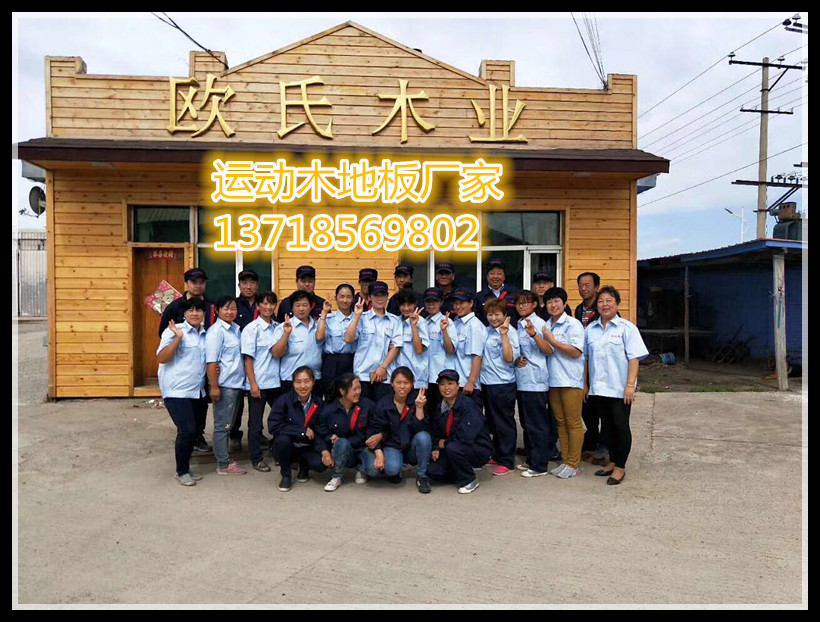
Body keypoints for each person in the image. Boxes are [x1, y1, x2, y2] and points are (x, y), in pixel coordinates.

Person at [585, 286, 648, 486]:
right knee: (607, 427)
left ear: (617, 304)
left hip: (620, 389)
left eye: (609, 301)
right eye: (601, 301)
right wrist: (585, 384)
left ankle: (620, 466)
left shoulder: (626, 328)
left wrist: (630, 385)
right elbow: (586, 359)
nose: (604, 305)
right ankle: (612, 461)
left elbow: (634, 358)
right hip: (599, 388)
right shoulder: (590, 329)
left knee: (620, 426)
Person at [157, 267, 215, 453]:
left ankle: (197, 436)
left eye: (201, 282)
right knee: (185, 421)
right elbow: (163, 335)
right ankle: (186, 441)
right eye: (193, 282)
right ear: (186, 284)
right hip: (181, 369)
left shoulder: (211, 305)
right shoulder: (174, 307)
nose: (198, 286)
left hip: (203, 365)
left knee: (201, 405)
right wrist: (179, 340)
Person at [156, 297, 208, 486]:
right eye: (190, 310)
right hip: (177, 390)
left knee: (194, 431)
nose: (195, 313)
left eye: (198, 310)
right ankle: (182, 471)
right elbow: (162, 358)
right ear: (184, 313)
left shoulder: (205, 334)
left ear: (204, 313)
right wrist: (178, 338)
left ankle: (185, 466)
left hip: (197, 390)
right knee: (187, 430)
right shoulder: (173, 331)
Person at [542, 287, 586, 479]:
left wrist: (553, 341)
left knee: (573, 422)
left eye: (557, 301)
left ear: (565, 303)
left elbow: (576, 352)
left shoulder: (573, 324)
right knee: (560, 422)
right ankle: (566, 460)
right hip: (553, 380)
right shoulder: (546, 325)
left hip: (570, 379)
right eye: (549, 302)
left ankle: (573, 463)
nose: (553, 305)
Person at [427, 370, 492, 494]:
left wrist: (444, 444)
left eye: (450, 383)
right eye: (442, 384)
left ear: (458, 385)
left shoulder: (468, 406)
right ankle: (460, 470)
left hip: (476, 447)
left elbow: (466, 436)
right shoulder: (440, 406)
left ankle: (469, 480)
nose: (446, 388)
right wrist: (436, 447)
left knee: (453, 448)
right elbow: (435, 432)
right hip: (452, 446)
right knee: (433, 471)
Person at [370, 368, 433, 493]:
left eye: (406, 383)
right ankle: (397, 469)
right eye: (398, 382)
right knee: (392, 469)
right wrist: (378, 451)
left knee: (424, 437)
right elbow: (376, 429)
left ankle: (422, 475)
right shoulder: (383, 403)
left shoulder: (417, 400)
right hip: (392, 446)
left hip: (410, 446)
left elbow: (421, 429)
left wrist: (419, 408)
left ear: (412, 384)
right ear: (392, 383)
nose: (402, 386)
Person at [515, 289, 556, 478]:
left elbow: (549, 350)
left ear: (534, 305)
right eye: (518, 303)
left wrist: (534, 335)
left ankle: (540, 465)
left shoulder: (540, 324)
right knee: (527, 423)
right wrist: (518, 359)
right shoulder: (519, 323)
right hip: (522, 380)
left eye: (525, 302)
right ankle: (531, 459)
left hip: (536, 381)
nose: (521, 306)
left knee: (537, 424)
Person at [205, 296, 247, 476]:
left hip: (236, 384)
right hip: (224, 385)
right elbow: (211, 361)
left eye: (233, 308)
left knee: (228, 424)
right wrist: (214, 386)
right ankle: (223, 463)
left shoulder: (235, 329)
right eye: (225, 308)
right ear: (217, 310)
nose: (230, 312)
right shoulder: (216, 332)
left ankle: (224, 458)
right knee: (222, 425)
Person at [317, 374, 378, 492]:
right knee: (342, 443)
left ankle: (361, 468)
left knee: (373, 470)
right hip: (343, 449)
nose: (358, 392)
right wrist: (328, 444)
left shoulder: (368, 406)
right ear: (342, 391)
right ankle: (336, 476)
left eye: (359, 388)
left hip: (363, 448)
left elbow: (372, 430)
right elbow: (321, 432)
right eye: (354, 389)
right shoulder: (329, 410)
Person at [268, 366, 326, 492]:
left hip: (308, 445)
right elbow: (273, 426)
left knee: (320, 464)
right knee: (282, 440)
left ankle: (304, 467)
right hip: (288, 444)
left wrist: (324, 451)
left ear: (313, 382)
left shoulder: (318, 403)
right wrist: (301, 431)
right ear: (293, 384)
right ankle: (286, 474)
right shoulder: (283, 400)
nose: (303, 386)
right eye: (298, 382)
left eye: (306, 381)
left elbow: (322, 429)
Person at [241, 291, 280, 473]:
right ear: (257, 306)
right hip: (259, 382)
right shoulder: (251, 329)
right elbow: (248, 358)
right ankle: (256, 458)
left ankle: (277, 452)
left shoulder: (278, 327)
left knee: (280, 420)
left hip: (276, 382)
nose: (268, 307)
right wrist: (253, 384)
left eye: (271, 303)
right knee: (256, 424)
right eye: (264, 303)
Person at [480, 299, 520, 476]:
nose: (494, 318)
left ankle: (507, 460)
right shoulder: (487, 331)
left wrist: (504, 336)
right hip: (487, 383)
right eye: (490, 314)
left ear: (505, 315)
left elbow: (510, 357)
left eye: (497, 314)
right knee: (493, 422)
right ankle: (497, 454)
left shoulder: (510, 332)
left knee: (504, 422)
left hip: (503, 383)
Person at [344, 280, 402, 402]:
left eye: (383, 295)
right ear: (369, 297)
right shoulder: (361, 318)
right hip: (363, 375)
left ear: (387, 297)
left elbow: (396, 346)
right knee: (363, 410)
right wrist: (356, 316)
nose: (379, 299)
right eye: (376, 295)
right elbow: (348, 339)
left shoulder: (395, 320)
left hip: (385, 376)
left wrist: (383, 368)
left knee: (383, 410)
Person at [575, 271, 607, 465]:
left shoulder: (603, 309)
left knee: (604, 407)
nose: (583, 288)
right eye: (580, 285)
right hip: (583, 363)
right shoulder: (578, 309)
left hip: (601, 365)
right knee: (587, 407)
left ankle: (604, 445)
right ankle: (592, 439)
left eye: (587, 285)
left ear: (596, 287)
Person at [230, 269, 263, 451]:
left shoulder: (264, 304)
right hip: (236, 359)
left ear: (257, 285)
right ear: (239, 285)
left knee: (257, 397)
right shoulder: (233, 305)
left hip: (259, 360)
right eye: (244, 283)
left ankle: (257, 433)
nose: (248, 286)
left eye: (252, 283)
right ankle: (234, 434)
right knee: (236, 400)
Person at [272, 290, 324, 396]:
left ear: (311, 307)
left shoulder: (318, 327)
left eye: (304, 305)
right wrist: (286, 334)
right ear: (292, 307)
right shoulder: (283, 327)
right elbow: (276, 354)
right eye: (297, 305)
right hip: (291, 380)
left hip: (315, 380)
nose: (301, 309)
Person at [316, 284, 357, 401]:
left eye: (348, 297)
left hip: (351, 361)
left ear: (353, 299)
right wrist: (324, 312)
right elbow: (319, 337)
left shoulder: (358, 318)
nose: (345, 300)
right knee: (331, 397)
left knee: (350, 398)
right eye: (341, 296)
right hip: (331, 363)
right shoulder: (328, 318)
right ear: (336, 298)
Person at [423, 287, 457, 418]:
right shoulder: (422, 322)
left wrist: (444, 331)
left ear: (441, 303)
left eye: (435, 301)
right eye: (428, 301)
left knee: (441, 415)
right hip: (424, 377)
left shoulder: (447, 322)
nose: (431, 305)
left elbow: (450, 349)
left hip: (440, 377)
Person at [450, 288, 486, 410]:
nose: (458, 306)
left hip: (468, 385)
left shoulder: (475, 326)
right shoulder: (456, 322)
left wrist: (471, 382)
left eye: (462, 303)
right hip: (456, 382)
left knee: (471, 418)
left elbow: (477, 356)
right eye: (455, 303)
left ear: (471, 303)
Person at [388, 289, 429, 390]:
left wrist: (413, 325)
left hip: (416, 376)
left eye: (409, 305)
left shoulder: (421, 322)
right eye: (403, 305)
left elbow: (419, 350)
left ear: (415, 304)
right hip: (397, 376)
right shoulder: (394, 321)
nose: (406, 308)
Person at [475, 258, 519, 326]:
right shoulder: (479, 297)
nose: (495, 276)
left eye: (499, 273)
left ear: (504, 276)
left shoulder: (515, 293)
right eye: (492, 273)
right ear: (487, 276)